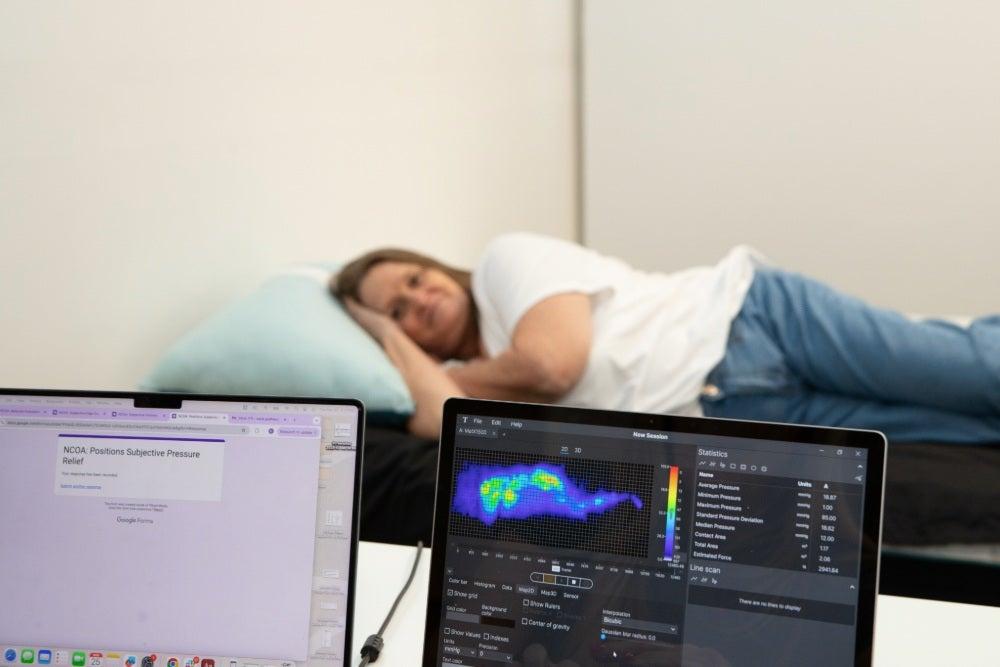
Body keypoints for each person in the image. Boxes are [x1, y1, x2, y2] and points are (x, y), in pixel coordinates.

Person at [332, 233, 1000, 442]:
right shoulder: (457, 374)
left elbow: (551, 365)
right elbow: (432, 423)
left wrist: (437, 372)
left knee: (973, 368)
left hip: (755, 322)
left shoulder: (506, 263)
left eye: (417, 278)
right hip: (737, 413)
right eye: (403, 309)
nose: (423, 297)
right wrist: (387, 337)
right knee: (960, 427)